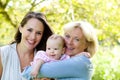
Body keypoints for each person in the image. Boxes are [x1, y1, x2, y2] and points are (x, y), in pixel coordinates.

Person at [22, 20, 98, 80]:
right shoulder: (66, 59)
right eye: (67, 36)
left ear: (87, 44)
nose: (69, 42)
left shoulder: (81, 62)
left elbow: (28, 72)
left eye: (77, 39)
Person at [0, 11, 53, 80]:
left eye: (38, 33)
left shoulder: (45, 59)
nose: (33, 37)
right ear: (20, 28)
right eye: (29, 30)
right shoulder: (3, 53)